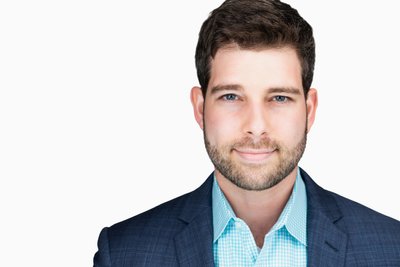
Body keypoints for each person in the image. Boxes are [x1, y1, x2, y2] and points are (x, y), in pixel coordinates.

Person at [93, 0, 400, 266]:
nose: (256, 125)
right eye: (231, 97)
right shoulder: (123, 253)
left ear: (309, 109)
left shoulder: (392, 249)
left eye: (279, 98)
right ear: (200, 108)